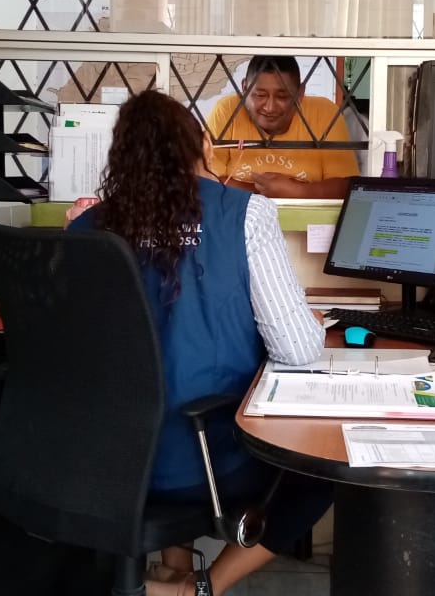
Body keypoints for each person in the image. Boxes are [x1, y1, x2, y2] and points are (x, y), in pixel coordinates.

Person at [68, 90, 333, 596]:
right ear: (204, 147)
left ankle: (174, 567)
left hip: (106, 462)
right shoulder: (245, 214)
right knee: (321, 470)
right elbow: (298, 351)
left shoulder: (86, 227)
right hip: (208, 465)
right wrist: (307, 322)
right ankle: (200, 587)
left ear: (120, 155)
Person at [206, 56, 360, 199]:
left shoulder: (325, 113)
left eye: (282, 96)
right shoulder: (227, 110)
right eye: (260, 95)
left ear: (300, 93)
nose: (270, 107)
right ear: (245, 88)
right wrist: (266, 191)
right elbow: (205, 177)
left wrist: (296, 191)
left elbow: (346, 186)